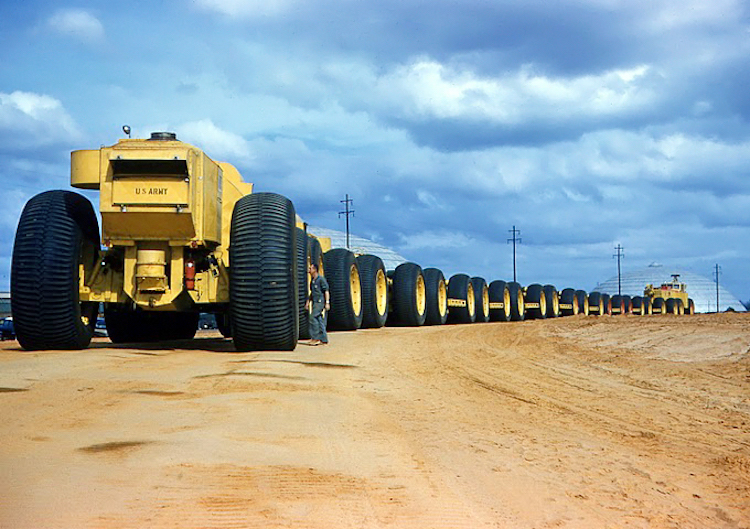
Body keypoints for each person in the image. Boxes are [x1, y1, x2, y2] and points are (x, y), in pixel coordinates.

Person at [305, 262, 330, 345]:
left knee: (312, 318)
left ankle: (315, 338)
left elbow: (326, 291)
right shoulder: (313, 281)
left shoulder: (321, 279)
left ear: (315, 270)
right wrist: (308, 302)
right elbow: (312, 293)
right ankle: (324, 339)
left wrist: (327, 303)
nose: (309, 270)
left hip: (320, 302)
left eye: (310, 268)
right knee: (319, 319)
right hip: (315, 302)